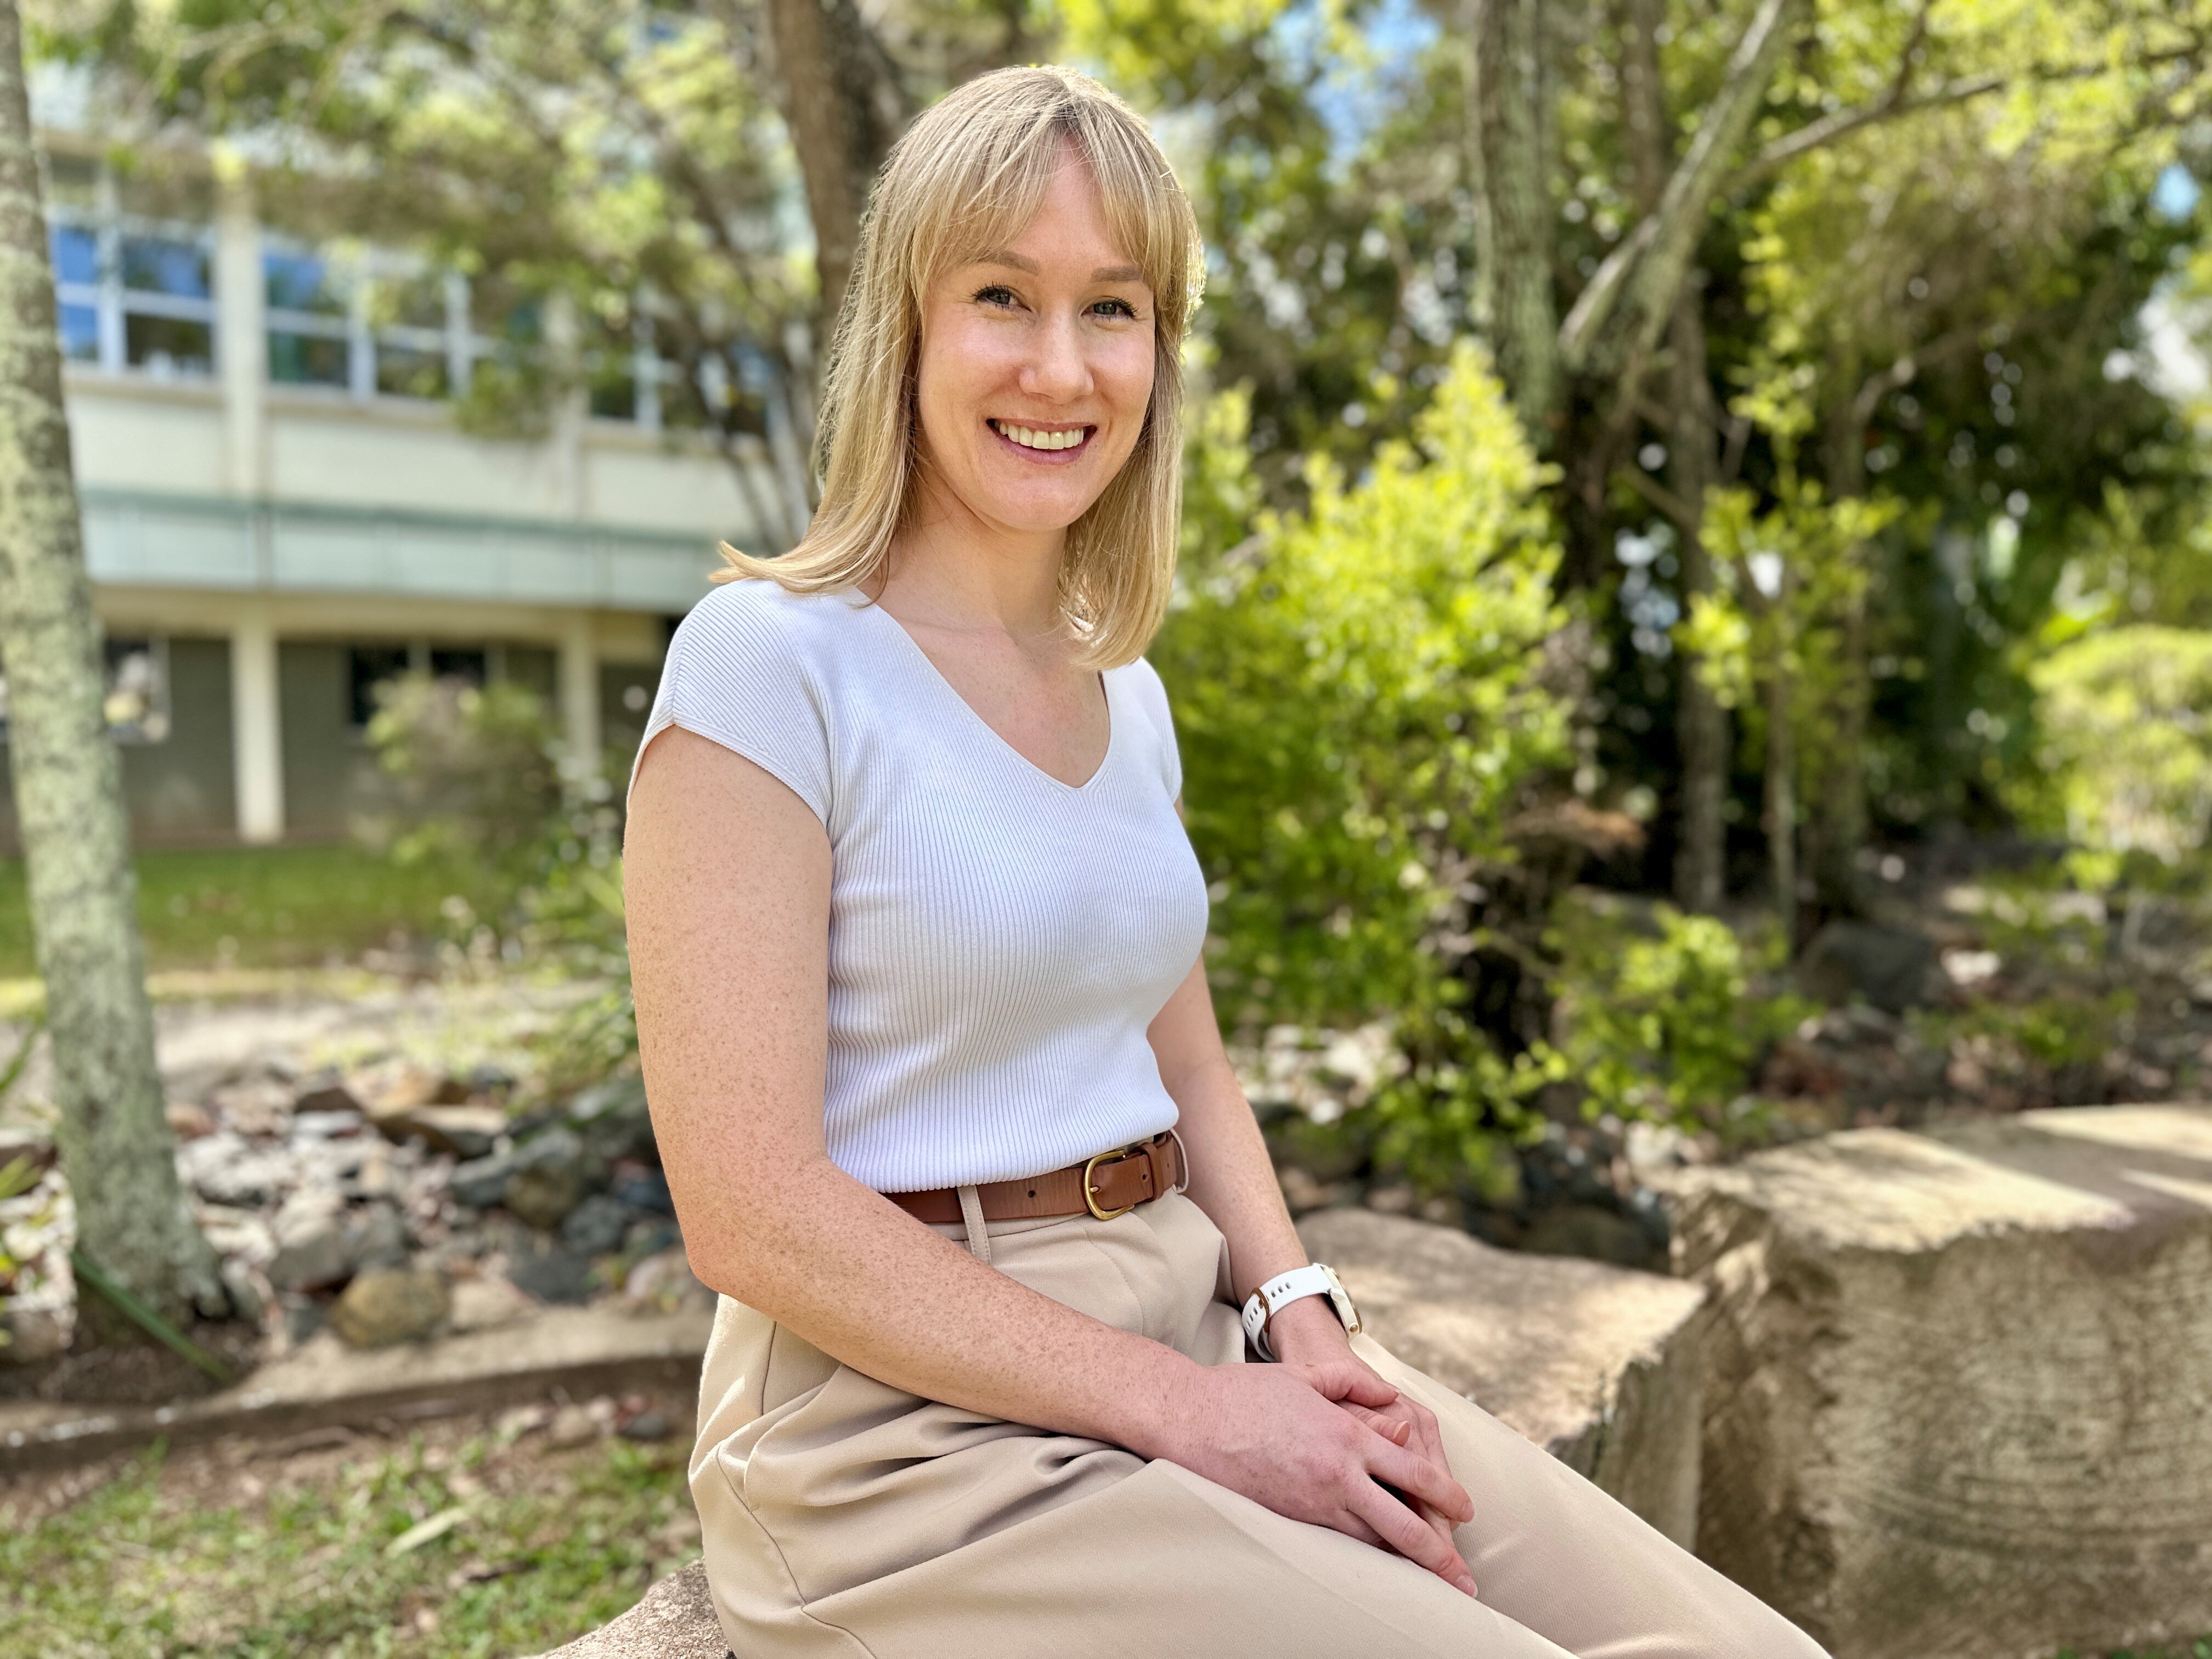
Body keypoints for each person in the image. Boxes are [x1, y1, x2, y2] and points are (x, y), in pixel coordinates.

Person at [623, 63, 1830, 1659]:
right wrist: (1196, 1415)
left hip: (1190, 1317)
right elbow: (752, 1214)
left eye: (1113, 310)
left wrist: (1296, 1318)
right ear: (904, 325)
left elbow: (1186, 1069)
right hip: (903, 1449)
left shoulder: (1125, 693)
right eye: (1003, 296)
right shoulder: (768, 664)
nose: (1063, 366)